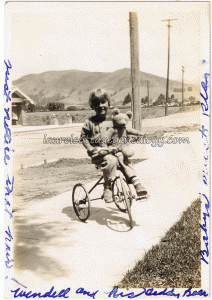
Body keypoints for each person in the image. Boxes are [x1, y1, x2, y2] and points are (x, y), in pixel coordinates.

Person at [80, 89, 147, 203]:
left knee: (122, 158)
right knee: (111, 159)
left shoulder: (114, 120)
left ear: (108, 104)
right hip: (99, 153)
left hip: (115, 150)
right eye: (97, 103)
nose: (100, 106)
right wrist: (90, 148)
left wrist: (128, 141)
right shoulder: (89, 122)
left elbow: (123, 133)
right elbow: (83, 138)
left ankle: (136, 183)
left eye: (103, 102)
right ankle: (108, 186)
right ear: (93, 106)